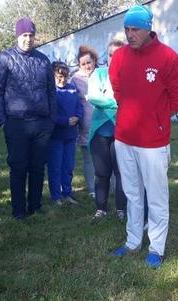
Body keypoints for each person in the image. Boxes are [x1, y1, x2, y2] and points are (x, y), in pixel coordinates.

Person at [109, 5, 178, 269]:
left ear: (148, 29)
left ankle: (156, 247)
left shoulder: (168, 58)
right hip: (124, 138)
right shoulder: (119, 57)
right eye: (127, 29)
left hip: (153, 142)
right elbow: (117, 89)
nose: (130, 34)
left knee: (156, 196)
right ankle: (132, 241)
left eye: (135, 29)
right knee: (132, 194)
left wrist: (154, 119)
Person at [0, 17, 56, 220]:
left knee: (37, 167)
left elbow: (51, 92)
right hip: (16, 123)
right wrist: (2, 120)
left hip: (41, 123)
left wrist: (51, 120)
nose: (28, 39)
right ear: (18, 35)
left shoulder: (43, 60)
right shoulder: (5, 58)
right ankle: (18, 209)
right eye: (25, 35)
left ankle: (35, 205)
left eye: (31, 35)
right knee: (19, 167)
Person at [87, 39, 127, 221]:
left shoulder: (130, 76)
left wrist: (107, 99)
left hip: (123, 133)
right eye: (111, 54)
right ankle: (100, 209)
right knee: (101, 173)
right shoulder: (99, 74)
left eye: (119, 54)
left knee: (122, 173)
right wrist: (117, 102)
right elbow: (94, 97)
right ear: (107, 56)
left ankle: (121, 209)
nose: (115, 58)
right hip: (100, 133)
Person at [48, 62, 83, 206]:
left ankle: (67, 193)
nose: (62, 79)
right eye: (59, 76)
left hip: (71, 135)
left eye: (65, 76)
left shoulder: (72, 89)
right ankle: (55, 196)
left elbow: (79, 106)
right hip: (56, 135)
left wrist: (77, 116)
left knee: (68, 166)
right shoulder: (51, 91)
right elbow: (50, 114)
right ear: (53, 76)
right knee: (55, 166)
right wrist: (64, 121)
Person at [71, 45, 97, 199]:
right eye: (83, 64)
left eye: (89, 62)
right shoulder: (75, 79)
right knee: (88, 159)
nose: (87, 66)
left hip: (104, 123)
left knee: (107, 157)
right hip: (85, 126)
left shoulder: (102, 74)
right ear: (79, 65)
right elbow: (73, 102)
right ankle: (92, 189)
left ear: (94, 61)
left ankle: (113, 187)